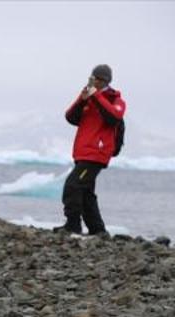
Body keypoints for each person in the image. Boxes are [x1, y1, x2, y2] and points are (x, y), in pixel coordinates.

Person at [54, 64, 126, 235]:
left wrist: (97, 96)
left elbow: (113, 118)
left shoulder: (115, 100)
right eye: (94, 78)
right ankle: (97, 230)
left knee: (73, 185)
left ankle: (73, 225)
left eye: (100, 79)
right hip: (83, 152)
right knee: (86, 192)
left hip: (97, 153)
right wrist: (83, 98)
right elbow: (70, 117)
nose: (96, 82)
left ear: (107, 81)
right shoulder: (89, 98)